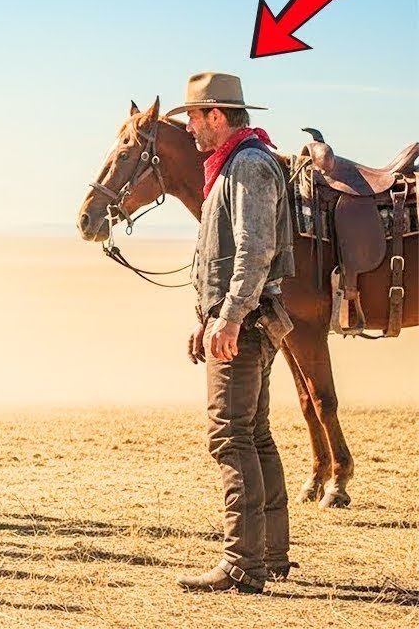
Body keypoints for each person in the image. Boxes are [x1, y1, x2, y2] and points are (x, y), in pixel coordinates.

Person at [172, 72, 296, 593]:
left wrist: (227, 317)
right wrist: (207, 317)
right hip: (242, 320)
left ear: (216, 116)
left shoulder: (245, 166)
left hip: (243, 325)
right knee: (255, 433)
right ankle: (268, 554)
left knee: (230, 435)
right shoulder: (236, 163)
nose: (192, 130)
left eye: (195, 119)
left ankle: (243, 562)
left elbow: (254, 250)